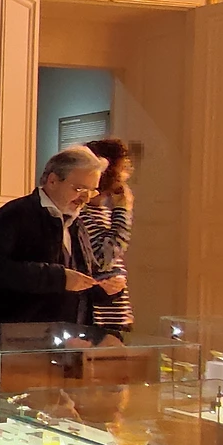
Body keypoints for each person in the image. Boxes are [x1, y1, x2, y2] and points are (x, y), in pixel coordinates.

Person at [0, 145, 125, 325]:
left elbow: (80, 279)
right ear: (52, 181)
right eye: (79, 189)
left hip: (66, 335)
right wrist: (59, 278)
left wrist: (104, 288)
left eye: (91, 191)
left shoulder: (77, 223)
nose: (85, 198)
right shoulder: (15, 214)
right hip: (18, 334)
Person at [81, 138, 134, 338]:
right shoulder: (82, 214)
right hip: (99, 319)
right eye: (123, 169)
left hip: (116, 315)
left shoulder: (102, 211)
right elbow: (104, 257)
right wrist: (123, 210)